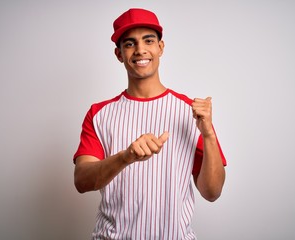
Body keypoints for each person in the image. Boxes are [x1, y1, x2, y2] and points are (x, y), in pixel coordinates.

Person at [73, 8, 227, 239]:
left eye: (148, 40)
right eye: (130, 44)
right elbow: (82, 181)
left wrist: (208, 135)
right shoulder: (99, 113)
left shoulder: (190, 111)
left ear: (160, 47)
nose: (140, 50)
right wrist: (126, 157)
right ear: (119, 54)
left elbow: (211, 192)